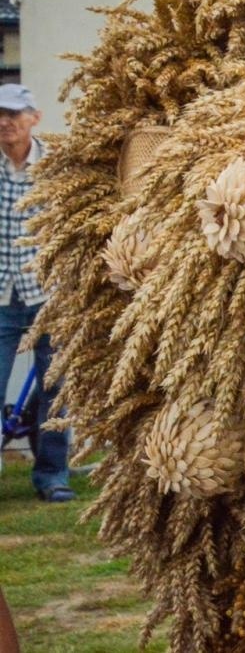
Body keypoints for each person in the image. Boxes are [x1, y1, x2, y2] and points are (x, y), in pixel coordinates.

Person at [0, 85, 72, 502]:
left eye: (14, 113)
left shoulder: (57, 166)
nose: (6, 122)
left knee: (55, 390)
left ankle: (52, 477)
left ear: (34, 118)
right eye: (1, 115)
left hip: (50, 296)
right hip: (2, 297)